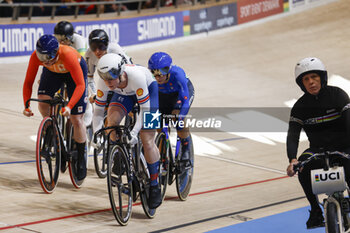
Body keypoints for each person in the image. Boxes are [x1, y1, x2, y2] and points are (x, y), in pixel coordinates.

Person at [286, 57, 350, 229]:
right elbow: (293, 136)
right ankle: (315, 210)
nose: (311, 82)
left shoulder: (338, 95)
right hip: (318, 150)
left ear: (322, 77)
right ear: (301, 84)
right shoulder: (299, 107)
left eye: (314, 77)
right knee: (302, 167)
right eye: (306, 79)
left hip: (344, 147)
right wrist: (292, 159)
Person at [93, 53, 162, 209]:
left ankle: (154, 183)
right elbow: (98, 112)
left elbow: (145, 110)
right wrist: (97, 134)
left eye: (111, 76)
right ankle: (118, 154)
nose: (107, 81)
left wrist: (134, 132)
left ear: (120, 71)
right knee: (112, 122)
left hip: (148, 92)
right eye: (103, 77)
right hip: (123, 94)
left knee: (147, 139)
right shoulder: (105, 82)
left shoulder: (136, 76)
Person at [22, 34, 88, 181]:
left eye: (47, 56)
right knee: (43, 102)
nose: (43, 60)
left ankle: (81, 157)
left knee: (76, 119)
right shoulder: (37, 57)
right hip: (53, 73)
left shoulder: (68, 55)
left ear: (56, 52)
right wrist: (26, 105)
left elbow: (80, 85)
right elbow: (28, 82)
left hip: (73, 75)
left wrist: (70, 106)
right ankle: (52, 130)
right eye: (41, 56)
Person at [148, 52, 194, 165]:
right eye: (154, 73)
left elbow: (185, 102)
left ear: (168, 69)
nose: (158, 77)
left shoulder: (178, 74)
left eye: (161, 72)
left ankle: (185, 146)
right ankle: (163, 153)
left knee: (176, 116)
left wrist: (180, 118)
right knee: (157, 123)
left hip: (179, 95)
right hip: (163, 95)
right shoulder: (149, 78)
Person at [54, 21, 93, 139]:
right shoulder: (56, 43)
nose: (60, 42)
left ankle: (86, 120)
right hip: (63, 68)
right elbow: (51, 61)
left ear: (70, 38)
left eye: (63, 39)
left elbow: (80, 64)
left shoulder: (79, 41)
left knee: (82, 94)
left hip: (78, 67)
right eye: (57, 38)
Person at [84, 29, 132, 104]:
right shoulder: (89, 55)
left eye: (101, 47)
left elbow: (129, 69)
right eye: (93, 48)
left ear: (106, 45)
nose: (97, 51)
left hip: (121, 75)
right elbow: (89, 78)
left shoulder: (115, 49)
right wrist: (94, 93)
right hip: (106, 77)